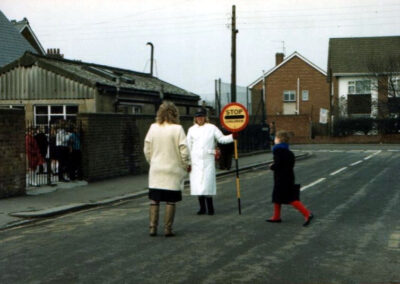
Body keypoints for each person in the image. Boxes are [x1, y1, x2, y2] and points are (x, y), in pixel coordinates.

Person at [144, 101, 190, 237]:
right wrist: (185, 165)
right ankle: (167, 229)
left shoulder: (153, 128)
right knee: (171, 200)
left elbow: (147, 149)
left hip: (156, 170)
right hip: (172, 170)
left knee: (155, 200)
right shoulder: (178, 129)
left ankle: (152, 227)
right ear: (175, 114)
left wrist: (152, 162)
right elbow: (184, 151)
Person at [187, 108, 235, 215]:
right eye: (198, 116)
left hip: (208, 160)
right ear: (195, 118)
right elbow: (188, 146)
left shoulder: (212, 128)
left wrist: (233, 136)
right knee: (198, 185)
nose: (200, 118)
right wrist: (188, 162)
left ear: (205, 117)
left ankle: (210, 208)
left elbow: (222, 139)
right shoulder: (191, 130)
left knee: (208, 184)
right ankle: (202, 208)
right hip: (195, 161)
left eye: (202, 116)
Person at [267, 130, 314, 226]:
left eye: (275, 138)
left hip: (281, 178)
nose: (274, 139)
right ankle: (276, 216)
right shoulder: (289, 152)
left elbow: (278, 165)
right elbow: (289, 164)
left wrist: (272, 166)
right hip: (289, 176)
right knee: (277, 197)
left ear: (279, 139)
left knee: (290, 198)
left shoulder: (278, 151)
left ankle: (307, 213)